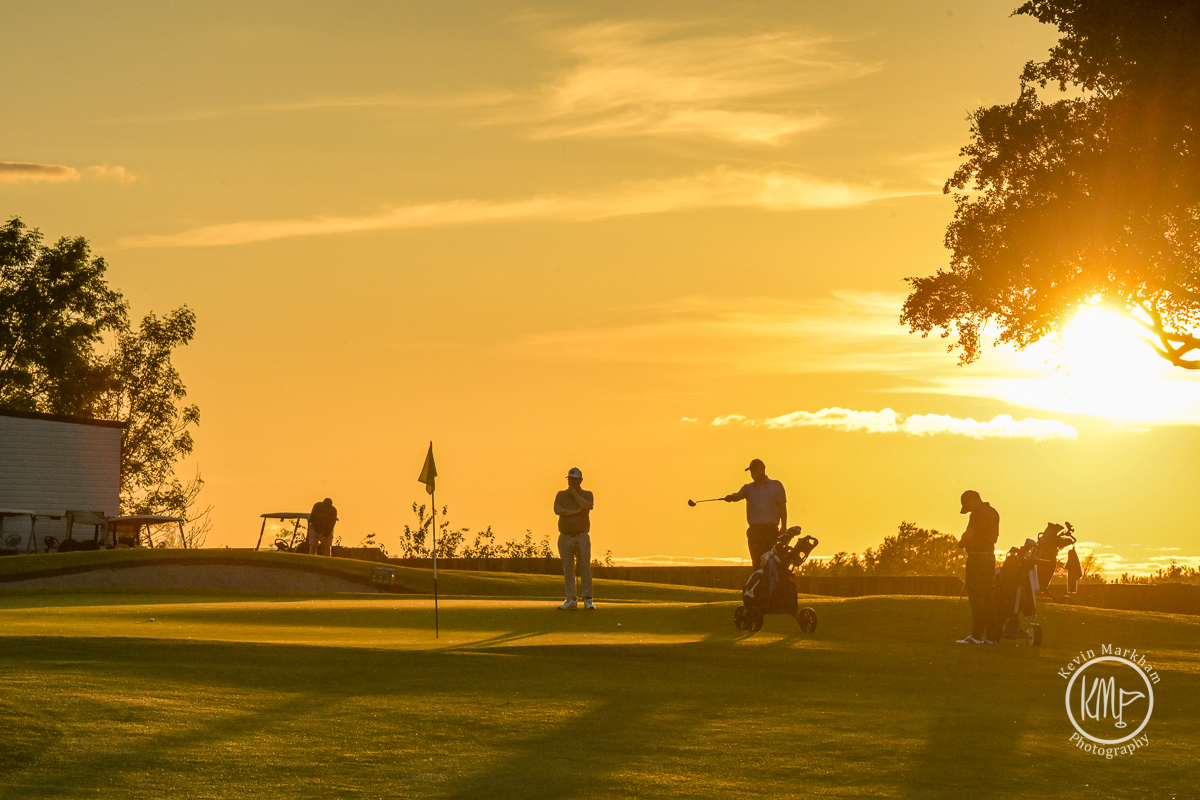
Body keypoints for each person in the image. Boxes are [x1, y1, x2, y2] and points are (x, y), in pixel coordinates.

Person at [724, 459, 787, 569]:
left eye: (755, 471)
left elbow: (782, 508)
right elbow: (738, 496)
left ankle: (771, 585)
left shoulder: (776, 485)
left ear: (762, 469)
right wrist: (731, 497)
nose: (753, 474)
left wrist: (784, 526)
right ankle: (761, 585)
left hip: (771, 531)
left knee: (772, 562)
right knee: (757, 563)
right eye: (751, 471)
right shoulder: (748, 488)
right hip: (754, 532)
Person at [957, 489, 1000, 644]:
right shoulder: (993, 512)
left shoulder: (977, 513)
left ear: (971, 501)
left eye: (967, 506)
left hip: (976, 559)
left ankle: (976, 636)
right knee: (987, 597)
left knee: (976, 598)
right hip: (989, 558)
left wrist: (961, 543)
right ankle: (991, 637)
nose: (968, 509)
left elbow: (970, 533)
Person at [553, 467, 595, 610]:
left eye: (575, 479)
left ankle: (588, 599)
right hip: (565, 536)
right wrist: (575, 512)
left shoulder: (587, 494)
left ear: (580, 480)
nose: (572, 482)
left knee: (584, 568)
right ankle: (571, 599)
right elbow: (558, 510)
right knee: (568, 569)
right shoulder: (561, 495)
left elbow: (587, 505)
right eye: (570, 479)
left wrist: (575, 494)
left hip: (581, 536)